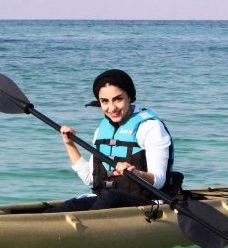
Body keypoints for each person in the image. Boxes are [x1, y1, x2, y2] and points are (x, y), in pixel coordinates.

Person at [47, 69, 176, 212]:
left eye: (118, 99)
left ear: (130, 97)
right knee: (72, 205)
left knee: (110, 197)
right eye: (105, 101)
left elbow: (158, 181)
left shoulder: (150, 127)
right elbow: (90, 179)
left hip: (145, 202)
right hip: (107, 200)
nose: (112, 108)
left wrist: (136, 174)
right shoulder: (102, 130)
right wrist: (69, 143)